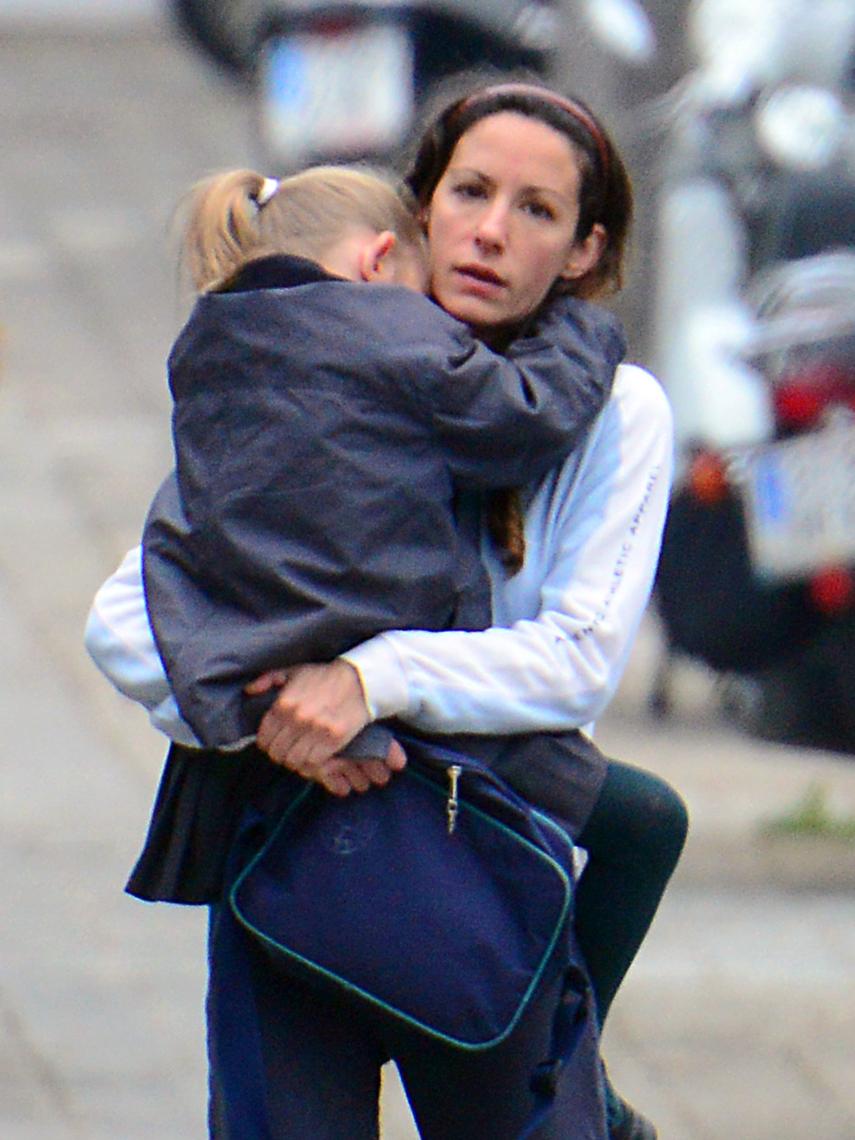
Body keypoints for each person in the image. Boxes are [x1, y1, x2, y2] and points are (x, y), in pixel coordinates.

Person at [86, 81, 688, 1139]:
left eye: (538, 211)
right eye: (471, 192)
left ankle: (584, 1076)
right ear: (417, 212)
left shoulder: (616, 411)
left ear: (585, 251)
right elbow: (136, 614)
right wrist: (278, 713)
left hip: (483, 860)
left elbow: (576, 660)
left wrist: (371, 679)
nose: (492, 232)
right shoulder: (312, 367)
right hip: (291, 845)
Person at [140, 163, 623, 753]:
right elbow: (525, 415)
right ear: (378, 260)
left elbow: (168, 542)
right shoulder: (390, 330)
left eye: (536, 209)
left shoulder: (211, 346)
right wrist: (580, 327)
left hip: (243, 666)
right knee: (629, 811)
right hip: (385, 658)